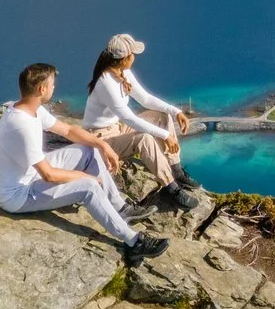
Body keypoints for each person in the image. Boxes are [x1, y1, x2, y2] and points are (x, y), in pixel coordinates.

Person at [0, 62, 168, 261]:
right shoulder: (22, 125)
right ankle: (135, 242)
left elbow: (67, 130)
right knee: (88, 187)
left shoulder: (30, 108)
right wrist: (82, 176)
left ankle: (120, 208)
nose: (54, 87)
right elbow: (48, 175)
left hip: (28, 174)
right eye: (52, 84)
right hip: (18, 195)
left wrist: (102, 145)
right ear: (42, 89)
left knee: (88, 150)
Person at [82, 33, 203, 205]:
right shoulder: (106, 82)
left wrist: (176, 112)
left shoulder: (123, 73)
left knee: (162, 116)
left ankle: (176, 169)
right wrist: (164, 135)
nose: (135, 57)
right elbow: (128, 118)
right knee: (144, 139)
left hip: (117, 128)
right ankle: (171, 188)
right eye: (133, 54)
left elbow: (145, 99)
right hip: (100, 138)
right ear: (124, 58)